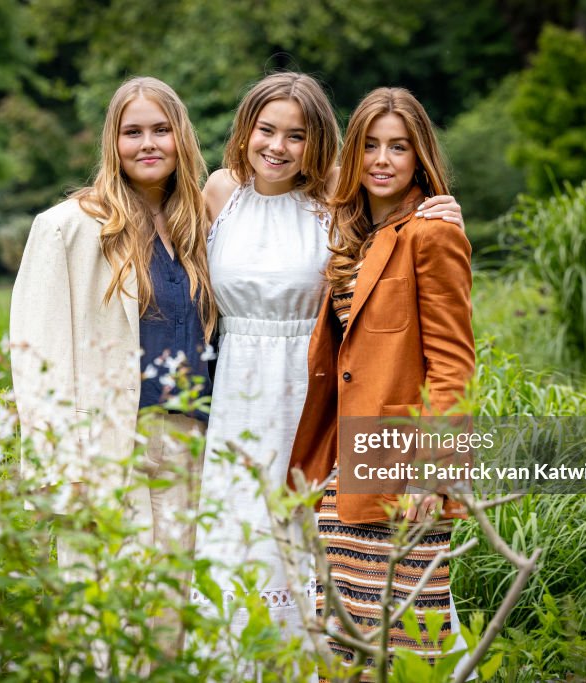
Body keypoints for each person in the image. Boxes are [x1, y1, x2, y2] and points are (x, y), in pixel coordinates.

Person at [193, 73, 464, 642]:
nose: (278, 146)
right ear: (244, 130)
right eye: (266, 130)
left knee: (343, 563)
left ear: (318, 141)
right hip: (238, 397)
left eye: (296, 135)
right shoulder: (219, 192)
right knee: (240, 540)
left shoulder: (337, 194)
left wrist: (444, 216)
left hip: (316, 394)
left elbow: (402, 235)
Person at [9, 76, 215, 655]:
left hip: (189, 444)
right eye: (133, 132)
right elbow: (36, 358)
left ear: (181, 138)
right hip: (106, 447)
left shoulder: (195, 226)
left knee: (172, 620)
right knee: (108, 624)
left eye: (161, 130)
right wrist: (61, 468)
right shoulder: (67, 227)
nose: (148, 144)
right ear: (113, 142)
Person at [287, 87, 476, 681]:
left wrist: (430, 473)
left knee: (406, 645)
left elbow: (453, 366)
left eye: (398, 147)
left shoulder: (432, 232)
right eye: (370, 145)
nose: (382, 160)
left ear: (419, 156)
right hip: (342, 469)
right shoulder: (354, 231)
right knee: (342, 642)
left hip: (401, 471)